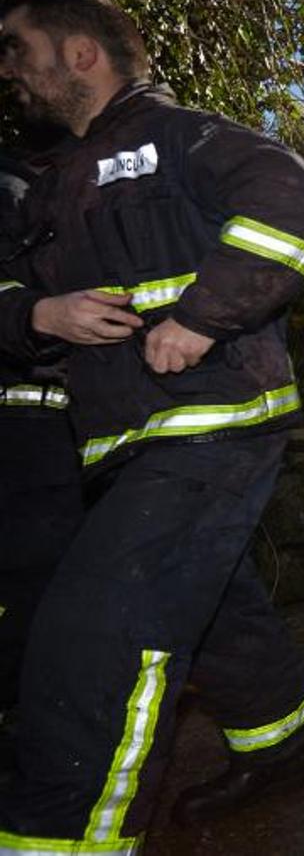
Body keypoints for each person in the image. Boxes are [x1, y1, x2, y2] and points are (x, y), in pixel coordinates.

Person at [0, 0, 304, 850]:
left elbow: (303, 208)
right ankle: (283, 734)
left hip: (211, 420)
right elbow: (24, 303)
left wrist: (200, 319)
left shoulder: (175, 135)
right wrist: (42, 317)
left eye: (16, 46)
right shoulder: (50, 187)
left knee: (98, 632)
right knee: (213, 598)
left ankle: (60, 836)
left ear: (79, 52)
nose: (7, 69)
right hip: (122, 437)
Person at [0, 149, 82, 724]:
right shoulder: (22, 196)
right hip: (34, 435)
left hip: (44, 432)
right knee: (39, 586)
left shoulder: (40, 192)